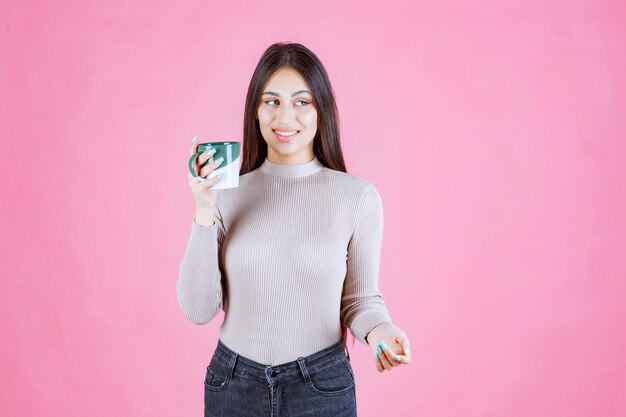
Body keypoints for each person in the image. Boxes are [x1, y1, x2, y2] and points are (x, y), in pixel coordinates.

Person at [177, 42, 412, 417]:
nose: (285, 117)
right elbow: (198, 308)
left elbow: (360, 300)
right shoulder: (225, 194)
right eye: (271, 101)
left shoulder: (357, 197)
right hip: (233, 386)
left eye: (302, 102)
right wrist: (204, 211)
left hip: (320, 388)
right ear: (255, 110)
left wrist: (380, 331)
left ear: (321, 111)